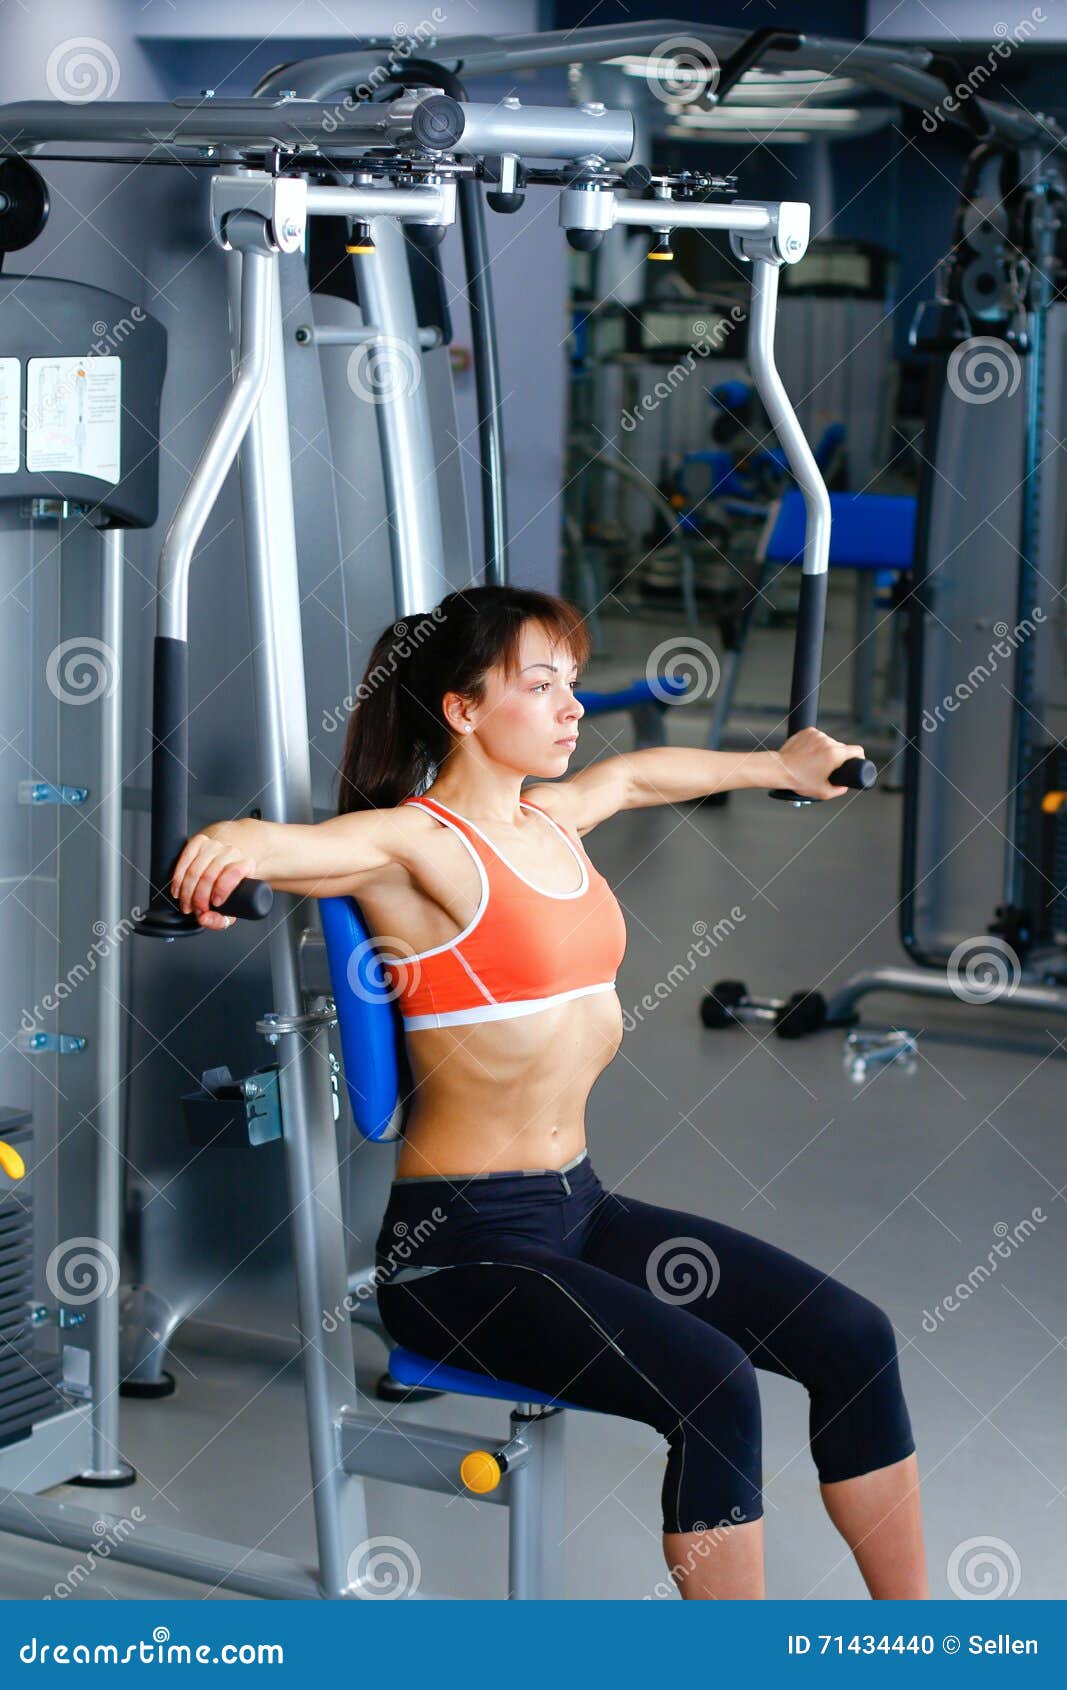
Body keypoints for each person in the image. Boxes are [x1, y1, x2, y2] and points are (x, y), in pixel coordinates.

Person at [169, 584, 928, 1601]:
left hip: (578, 1209)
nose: (571, 704)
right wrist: (229, 846)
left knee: (853, 1338)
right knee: (710, 1383)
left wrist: (775, 765)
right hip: (459, 1253)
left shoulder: (548, 819)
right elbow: (290, 845)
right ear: (463, 709)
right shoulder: (415, 847)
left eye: (571, 682)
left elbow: (636, 775)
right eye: (541, 683)